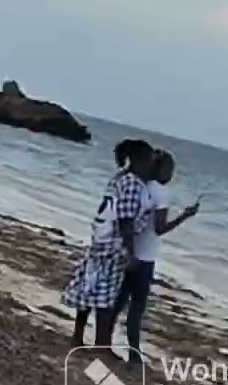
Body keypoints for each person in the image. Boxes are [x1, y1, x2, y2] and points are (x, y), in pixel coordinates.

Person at [109, 149, 199, 363]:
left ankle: (103, 340)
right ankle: (134, 355)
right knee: (137, 308)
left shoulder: (140, 186)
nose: (172, 174)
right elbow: (159, 228)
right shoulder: (161, 193)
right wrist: (184, 216)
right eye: (171, 169)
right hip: (145, 257)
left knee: (118, 302)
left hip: (128, 250)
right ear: (163, 169)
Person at [64, 139, 155, 349]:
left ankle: (77, 336)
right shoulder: (133, 184)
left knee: (90, 287)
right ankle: (101, 345)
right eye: (149, 161)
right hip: (115, 244)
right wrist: (131, 252)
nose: (150, 166)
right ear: (140, 160)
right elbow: (126, 220)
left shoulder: (119, 178)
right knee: (107, 297)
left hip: (100, 238)